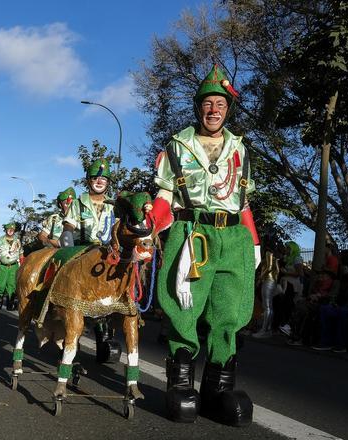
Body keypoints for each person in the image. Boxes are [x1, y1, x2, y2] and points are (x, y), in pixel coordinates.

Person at [146, 65, 259, 426]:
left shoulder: (241, 149)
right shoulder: (177, 146)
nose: (214, 110)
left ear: (228, 109)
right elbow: (165, 196)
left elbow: (243, 203)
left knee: (229, 311)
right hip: (193, 234)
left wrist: (253, 242)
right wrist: (149, 228)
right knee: (185, 307)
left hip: (233, 237)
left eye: (220, 104)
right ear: (199, 108)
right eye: (208, 103)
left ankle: (218, 389)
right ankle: (180, 384)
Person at [60, 159, 122, 363]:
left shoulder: (115, 205)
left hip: (108, 255)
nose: (99, 181)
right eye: (95, 178)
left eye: (103, 178)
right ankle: (69, 338)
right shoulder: (78, 203)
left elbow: (122, 231)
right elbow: (68, 228)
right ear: (88, 180)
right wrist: (68, 252)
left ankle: (106, 334)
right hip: (82, 252)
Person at [0, 223, 23, 310]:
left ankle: (10, 302)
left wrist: (22, 264)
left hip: (14, 266)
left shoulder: (17, 241)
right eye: (9, 229)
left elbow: (21, 254)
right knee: (1, 284)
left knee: (12, 284)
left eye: (12, 230)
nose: (10, 231)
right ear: (6, 230)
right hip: (2, 266)